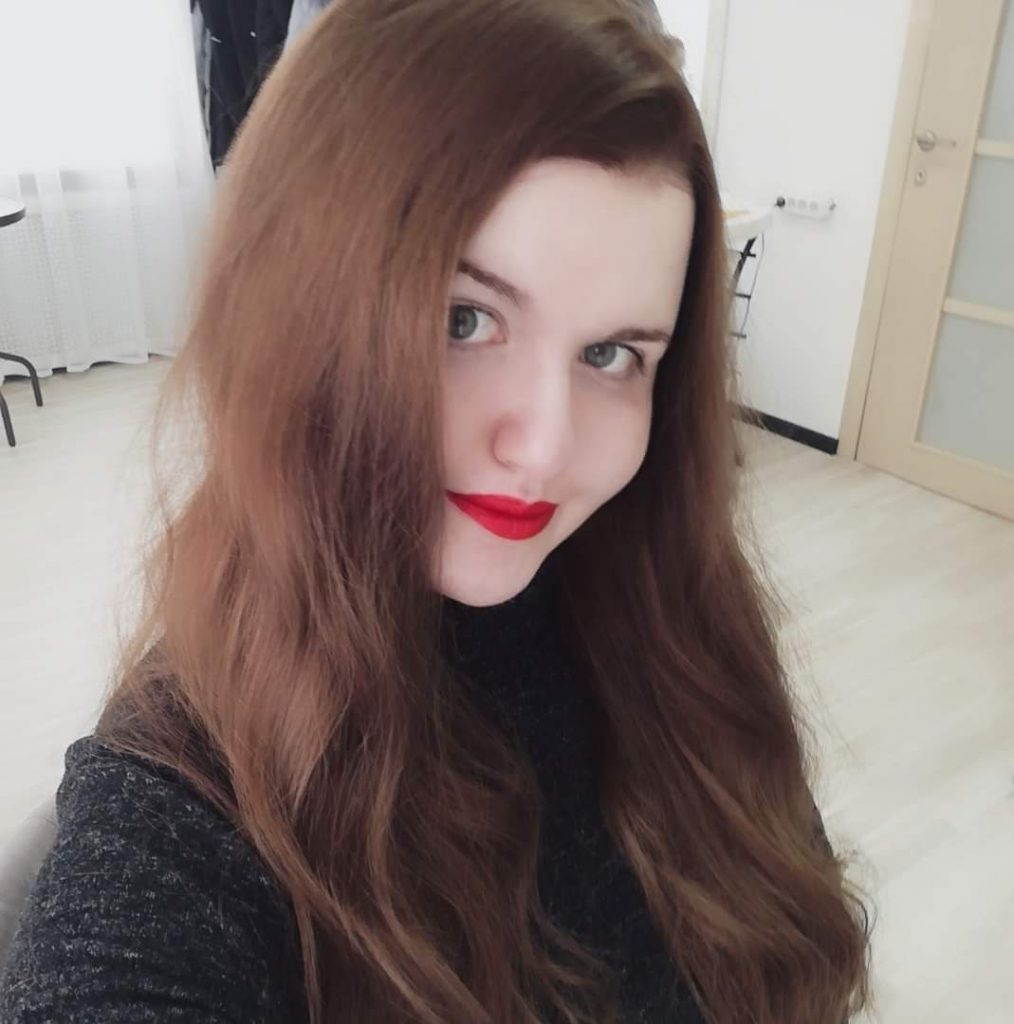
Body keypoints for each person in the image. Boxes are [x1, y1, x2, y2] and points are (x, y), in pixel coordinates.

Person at [0, 1, 873, 1022]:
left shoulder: (677, 626)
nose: (544, 446)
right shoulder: (180, 796)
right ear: (293, 310)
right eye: (464, 319)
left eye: (610, 354)